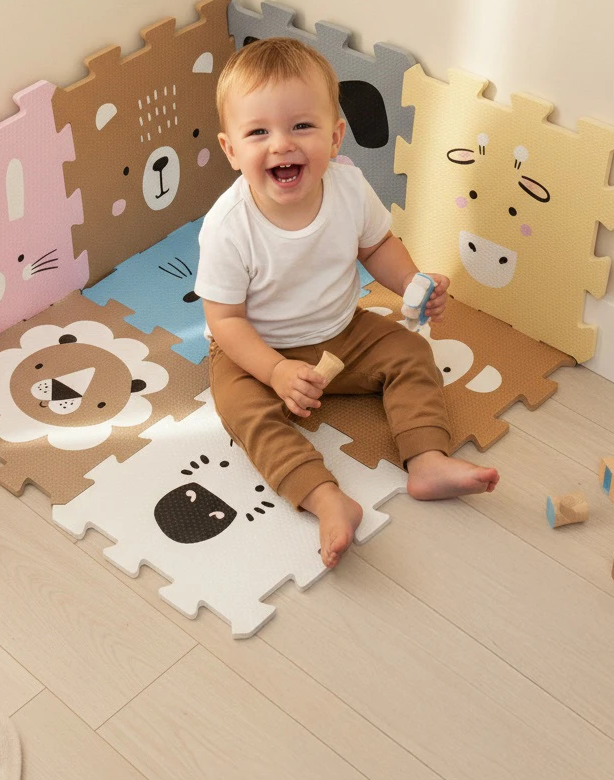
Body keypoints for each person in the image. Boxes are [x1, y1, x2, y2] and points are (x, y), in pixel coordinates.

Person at [195, 37, 499, 568]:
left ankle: (427, 459)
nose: (282, 145)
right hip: (256, 349)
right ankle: (324, 498)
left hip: (344, 332)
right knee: (242, 411)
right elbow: (224, 319)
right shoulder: (228, 226)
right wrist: (275, 371)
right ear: (231, 149)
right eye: (259, 132)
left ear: (335, 136)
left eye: (301, 126)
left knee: (411, 353)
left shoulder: (349, 188)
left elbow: (376, 246)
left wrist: (411, 283)